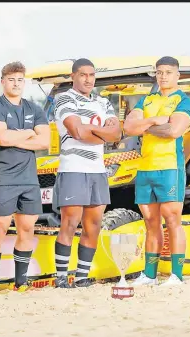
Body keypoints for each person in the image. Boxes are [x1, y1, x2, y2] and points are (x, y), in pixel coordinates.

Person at [123, 56, 190, 287]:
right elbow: (128, 127)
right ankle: (150, 274)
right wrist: (155, 120)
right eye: (159, 72)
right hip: (145, 168)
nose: (163, 76)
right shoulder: (147, 99)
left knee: (172, 219)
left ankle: (176, 275)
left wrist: (145, 126)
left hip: (170, 167)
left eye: (168, 72)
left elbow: (174, 131)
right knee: (150, 222)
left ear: (178, 75)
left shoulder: (183, 101)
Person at [52, 58, 122, 288]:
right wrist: (100, 132)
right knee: (70, 224)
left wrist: (90, 129)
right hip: (73, 168)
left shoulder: (104, 102)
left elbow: (116, 135)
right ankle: (61, 277)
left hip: (97, 171)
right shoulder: (64, 98)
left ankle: (82, 277)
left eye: (92, 75)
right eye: (83, 74)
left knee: (93, 225)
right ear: (73, 76)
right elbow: (75, 131)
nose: (88, 79)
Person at [0, 61, 50, 293]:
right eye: (11, 79)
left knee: (27, 229)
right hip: (3, 177)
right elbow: (1, 138)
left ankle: (20, 281)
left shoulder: (34, 109)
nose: (16, 84)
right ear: (3, 82)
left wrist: (17, 136)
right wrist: (29, 133)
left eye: (20, 80)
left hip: (29, 179)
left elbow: (45, 142)